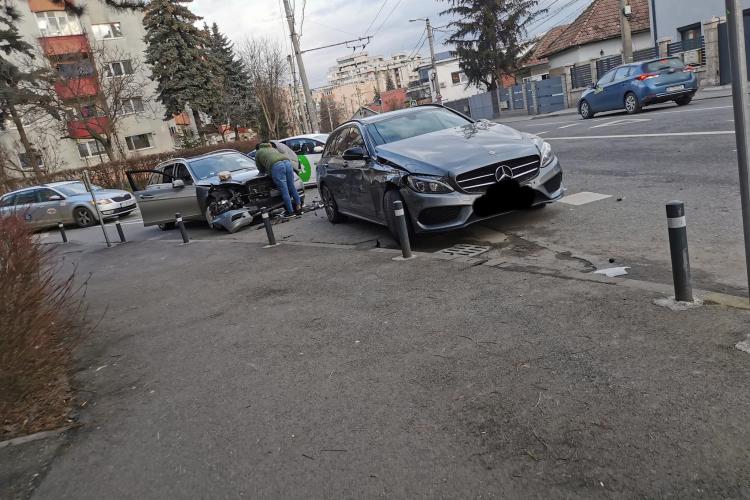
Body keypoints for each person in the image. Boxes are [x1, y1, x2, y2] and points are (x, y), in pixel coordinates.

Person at [255, 142, 302, 217]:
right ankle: (299, 207)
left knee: (284, 190)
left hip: (277, 166)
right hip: (287, 163)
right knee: (292, 186)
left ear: (257, 149)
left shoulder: (258, 153)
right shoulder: (271, 148)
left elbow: (260, 169)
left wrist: (262, 173)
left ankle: (291, 212)